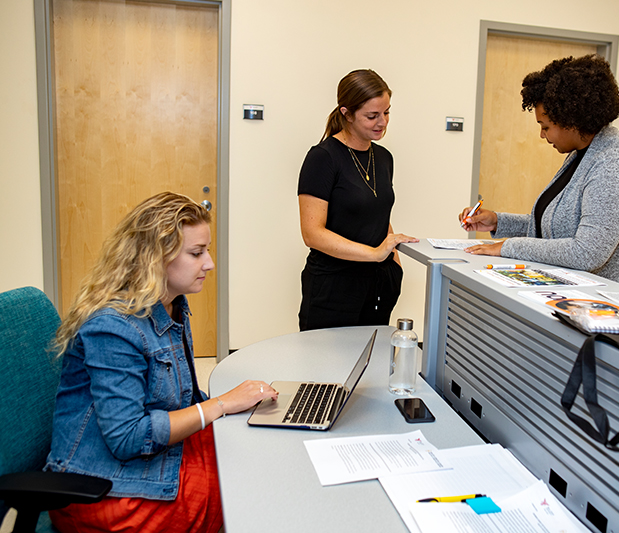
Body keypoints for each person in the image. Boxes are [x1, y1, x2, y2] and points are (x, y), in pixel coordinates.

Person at [45, 192, 278, 532]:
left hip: (146, 460)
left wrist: (236, 404)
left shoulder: (171, 305)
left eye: (207, 250)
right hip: (103, 489)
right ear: (156, 258)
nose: (209, 263)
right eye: (197, 253)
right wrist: (222, 404)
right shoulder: (112, 326)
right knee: (242, 493)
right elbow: (127, 438)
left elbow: (179, 400)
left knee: (254, 456)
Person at [460, 55, 619, 295]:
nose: (542, 135)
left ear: (571, 120)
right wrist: (498, 222)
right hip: (584, 301)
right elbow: (555, 230)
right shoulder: (581, 155)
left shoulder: (615, 162)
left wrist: (507, 247)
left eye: (545, 126)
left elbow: (587, 252)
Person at [298, 69, 418, 331]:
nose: (382, 122)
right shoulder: (323, 158)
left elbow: (378, 214)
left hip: (378, 286)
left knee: (372, 365)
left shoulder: (384, 158)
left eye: (386, 112)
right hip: (333, 288)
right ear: (347, 113)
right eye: (372, 116)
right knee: (326, 369)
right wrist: (374, 254)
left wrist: (393, 264)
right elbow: (312, 233)